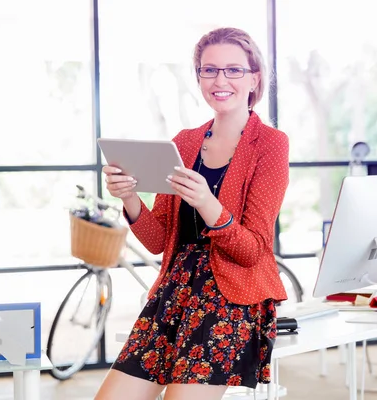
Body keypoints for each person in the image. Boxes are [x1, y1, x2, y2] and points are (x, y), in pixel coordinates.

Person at [95, 27, 289, 400]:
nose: (220, 80)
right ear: (198, 77)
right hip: (175, 288)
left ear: (255, 78)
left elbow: (252, 251)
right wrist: (131, 197)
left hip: (232, 295)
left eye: (234, 70)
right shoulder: (185, 141)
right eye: (209, 70)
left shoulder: (270, 144)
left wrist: (207, 203)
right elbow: (156, 241)